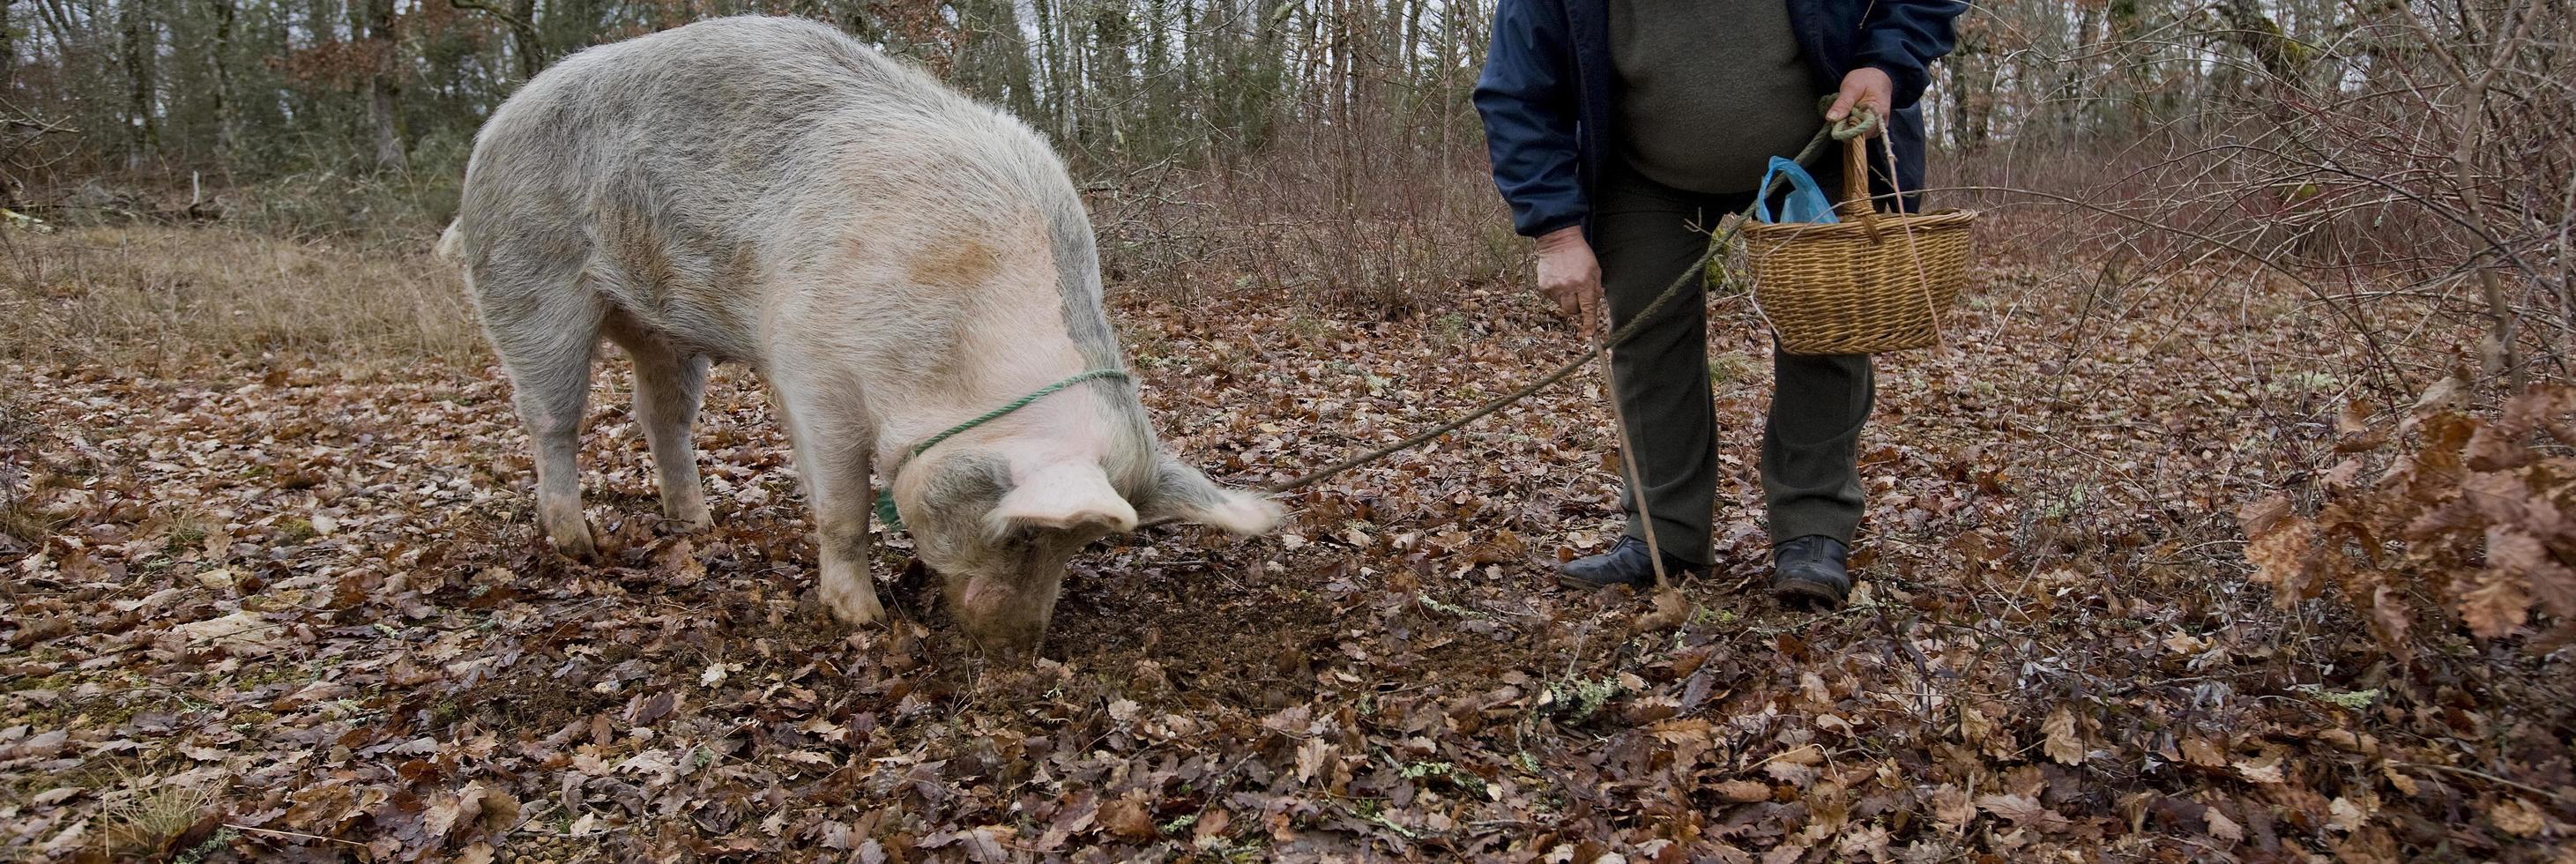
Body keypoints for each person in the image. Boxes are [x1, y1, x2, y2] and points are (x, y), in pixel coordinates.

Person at [1474, 0, 1962, 607]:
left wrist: (1887, 64)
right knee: (1646, 340)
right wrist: (1556, 231)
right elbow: (1518, 90)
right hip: (1642, 165)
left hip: (1820, 145)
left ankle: (1814, 533)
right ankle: (1665, 537)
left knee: (1827, 334)